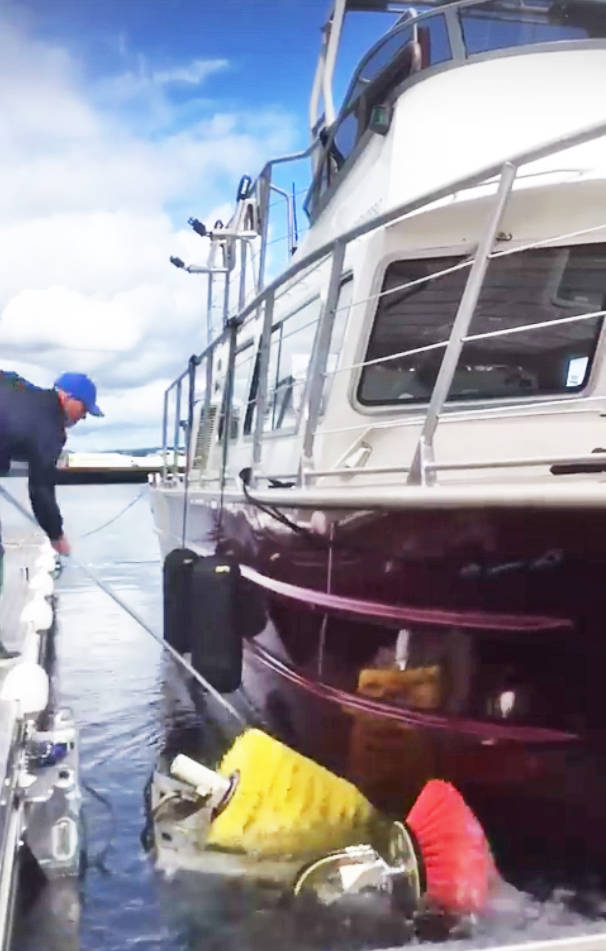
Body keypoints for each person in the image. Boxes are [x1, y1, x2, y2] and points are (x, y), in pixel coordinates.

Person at [0, 370, 103, 657]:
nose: (82, 418)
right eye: (84, 409)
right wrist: (56, 534)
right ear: (67, 397)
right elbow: (41, 490)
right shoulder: (49, 426)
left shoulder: (21, 389)